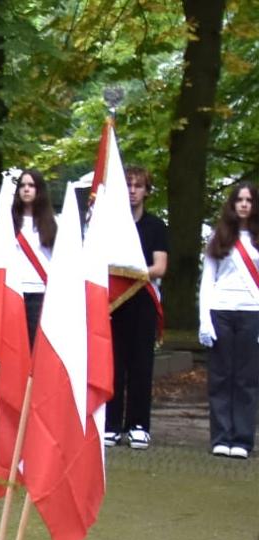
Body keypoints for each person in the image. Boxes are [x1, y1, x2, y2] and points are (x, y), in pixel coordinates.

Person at [105, 165, 169, 449]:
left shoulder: (156, 226)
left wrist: (132, 272)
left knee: (141, 363)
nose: (132, 191)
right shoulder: (111, 226)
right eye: (128, 185)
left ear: (147, 191)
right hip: (114, 302)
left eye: (138, 186)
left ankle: (138, 425)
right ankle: (111, 424)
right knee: (114, 362)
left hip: (143, 300)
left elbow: (160, 266)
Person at [199, 182, 258, 460]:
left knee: (247, 379)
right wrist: (204, 319)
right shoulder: (218, 236)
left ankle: (243, 439)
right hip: (221, 310)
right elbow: (208, 279)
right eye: (239, 200)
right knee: (221, 377)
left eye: (249, 200)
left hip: (252, 312)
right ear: (232, 204)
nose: (244, 204)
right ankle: (221, 437)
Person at [10, 167, 56, 339]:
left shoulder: (53, 223)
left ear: (39, 189)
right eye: (22, 185)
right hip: (15, 291)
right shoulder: (9, 222)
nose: (26, 189)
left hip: (41, 292)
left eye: (31, 185)